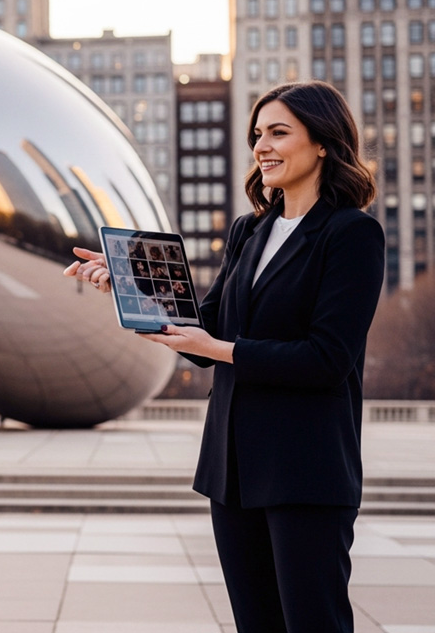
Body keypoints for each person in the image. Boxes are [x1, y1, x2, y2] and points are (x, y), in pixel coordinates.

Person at [65, 81, 383, 633]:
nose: (262, 146)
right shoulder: (249, 230)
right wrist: (127, 283)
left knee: (314, 623)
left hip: (305, 470)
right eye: (258, 134)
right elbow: (204, 328)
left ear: (324, 144)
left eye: (279, 133)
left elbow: (326, 358)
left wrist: (219, 348)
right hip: (233, 468)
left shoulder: (352, 235)